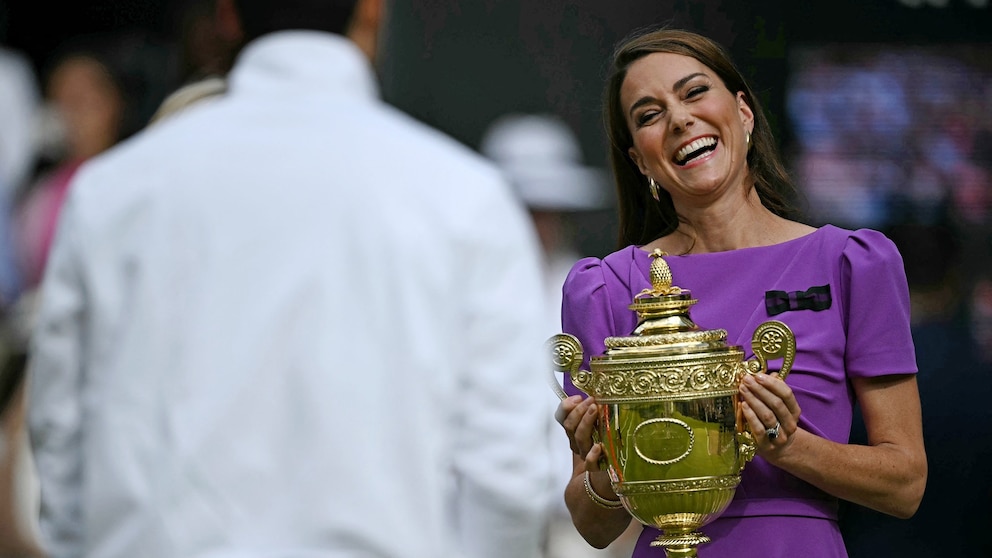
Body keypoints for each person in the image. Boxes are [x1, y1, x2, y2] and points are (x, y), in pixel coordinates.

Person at [25, 0, 554, 557]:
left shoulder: (111, 194)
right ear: (373, 10)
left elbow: (60, 442)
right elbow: (507, 477)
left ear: (227, 15)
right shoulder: (465, 199)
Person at [554, 27, 927, 557]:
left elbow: (905, 484)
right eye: (649, 114)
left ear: (744, 112)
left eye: (694, 92)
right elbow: (594, 527)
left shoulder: (852, 263)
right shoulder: (605, 287)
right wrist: (610, 463)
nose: (679, 119)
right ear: (640, 160)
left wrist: (791, 448)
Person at [479, 113, 639, 558]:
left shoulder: (592, 293)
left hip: (581, 527)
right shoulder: (457, 295)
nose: (539, 224)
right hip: (483, 519)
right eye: (528, 210)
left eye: (550, 210)